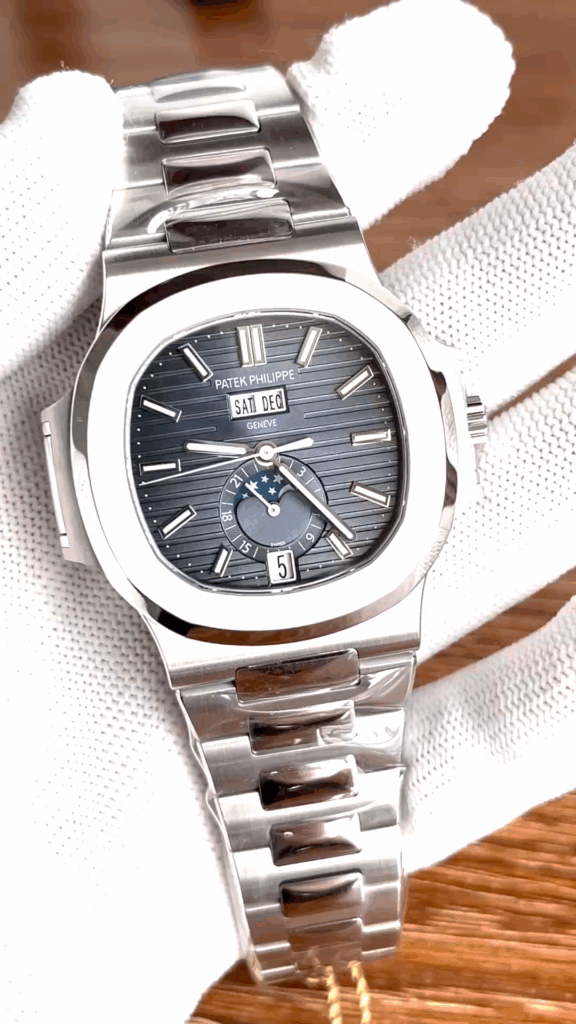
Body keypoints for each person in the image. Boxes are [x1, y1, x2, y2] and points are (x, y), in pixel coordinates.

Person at [1, 0, 575, 1021]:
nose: (266, 455)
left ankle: (313, 926)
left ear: (445, 417)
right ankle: (310, 926)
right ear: (80, 498)